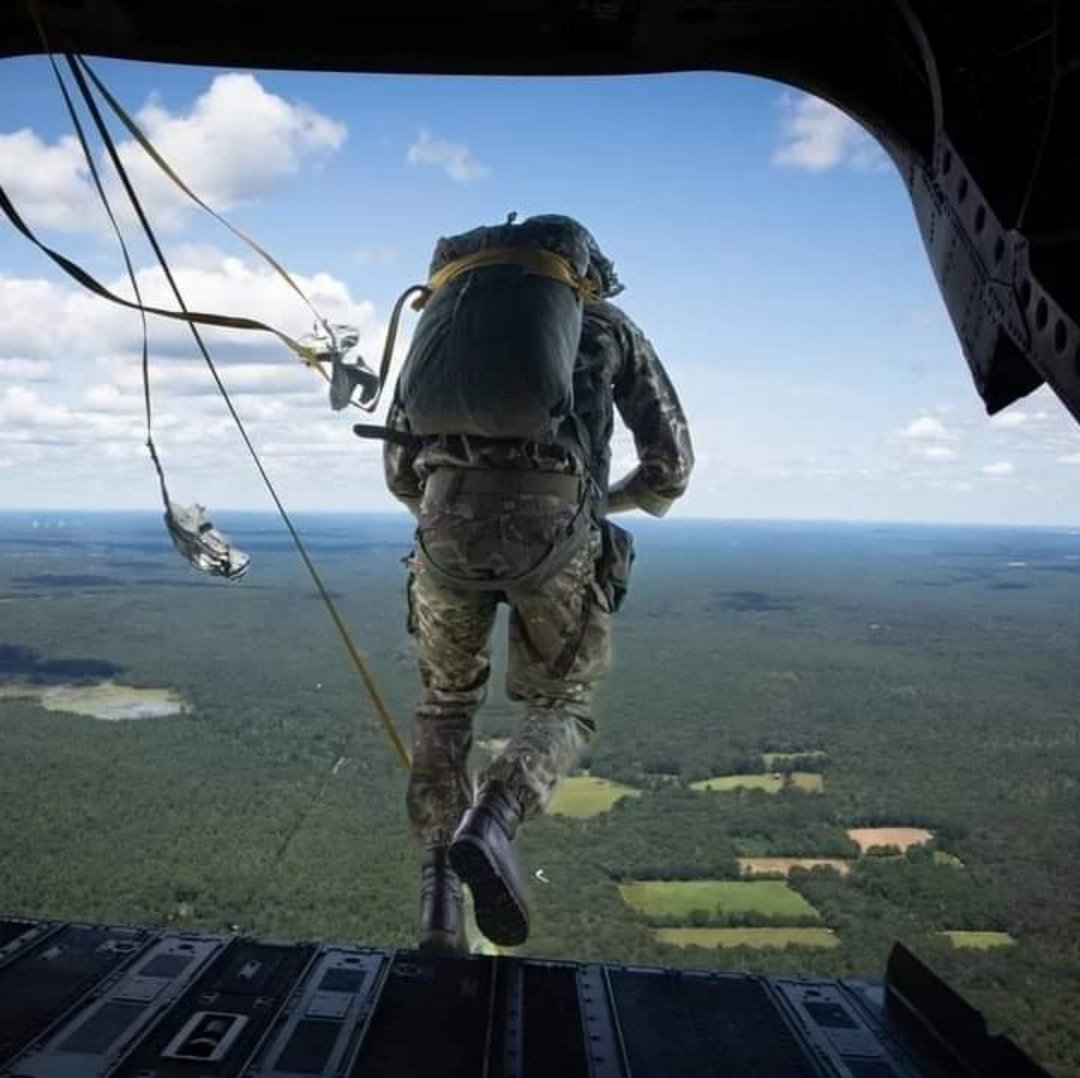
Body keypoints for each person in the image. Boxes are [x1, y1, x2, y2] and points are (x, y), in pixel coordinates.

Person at [381, 216, 694, 953]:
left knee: (445, 705)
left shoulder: (444, 325)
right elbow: (669, 467)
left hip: (444, 525)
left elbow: (399, 469)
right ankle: (492, 820)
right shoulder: (608, 327)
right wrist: (593, 501)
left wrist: (453, 504)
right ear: (582, 271)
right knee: (563, 702)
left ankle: (437, 900)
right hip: (556, 529)